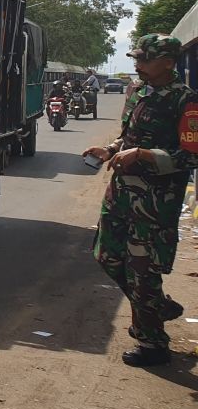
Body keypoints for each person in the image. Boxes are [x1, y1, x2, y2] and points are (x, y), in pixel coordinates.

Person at [83, 34, 198, 367]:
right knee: (106, 256)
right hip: (120, 193)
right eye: (136, 58)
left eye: (145, 59)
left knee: (142, 270)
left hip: (155, 201)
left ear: (167, 62)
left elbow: (191, 156)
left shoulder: (185, 101)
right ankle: (157, 306)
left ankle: (152, 343)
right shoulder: (137, 92)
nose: (138, 64)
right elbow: (127, 136)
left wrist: (146, 155)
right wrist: (111, 149)